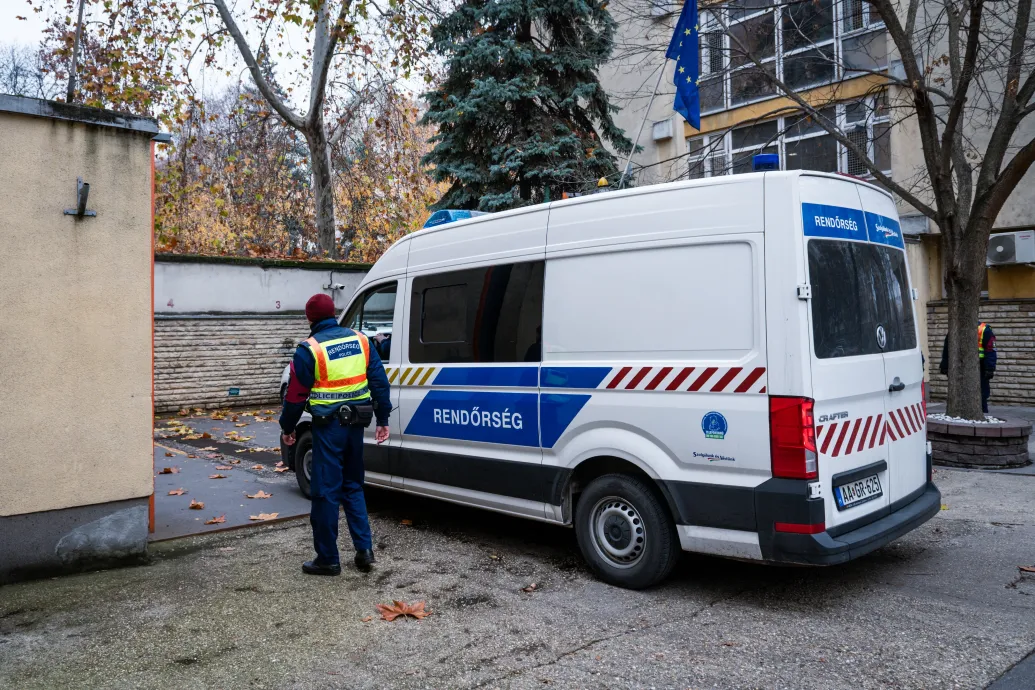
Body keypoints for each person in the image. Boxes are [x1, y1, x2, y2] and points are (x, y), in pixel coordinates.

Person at [280, 294, 392, 576]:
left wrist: (288, 427)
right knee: (353, 485)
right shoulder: (361, 340)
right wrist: (383, 418)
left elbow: (295, 396)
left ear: (310, 319)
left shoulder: (309, 350)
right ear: (335, 313)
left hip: (328, 427)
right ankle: (364, 551)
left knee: (326, 491)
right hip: (356, 424)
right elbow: (378, 381)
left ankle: (328, 558)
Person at [940, 321, 997, 413]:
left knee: (981, 391)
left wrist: (989, 368)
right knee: (965, 391)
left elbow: (990, 350)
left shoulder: (984, 330)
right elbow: (947, 348)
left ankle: (981, 412)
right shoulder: (956, 329)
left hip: (979, 367)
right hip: (961, 366)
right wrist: (945, 365)